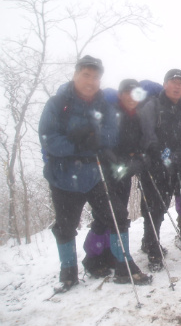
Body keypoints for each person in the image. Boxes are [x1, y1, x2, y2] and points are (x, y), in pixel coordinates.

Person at [39, 56, 151, 291]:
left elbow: (111, 135)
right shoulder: (57, 104)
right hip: (63, 177)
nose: (91, 81)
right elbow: (49, 139)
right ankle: (68, 271)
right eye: (86, 75)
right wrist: (77, 144)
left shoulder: (103, 106)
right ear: (76, 74)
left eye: (96, 77)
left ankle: (124, 265)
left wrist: (96, 138)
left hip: (94, 175)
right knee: (66, 225)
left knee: (118, 215)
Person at [82, 79, 148, 277]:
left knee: (110, 217)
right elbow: (102, 143)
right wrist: (115, 160)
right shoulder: (110, 114)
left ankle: (104, 255)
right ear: (120, 95)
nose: (131, 97)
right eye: (127, 93)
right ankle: (111, 261)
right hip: (104, 175)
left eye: (135, 93)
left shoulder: (135, 117)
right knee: (113, 216)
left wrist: (137, 159)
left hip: (124, 174)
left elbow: (135, 145)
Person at [139, 69, 181, 268]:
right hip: (152, 165)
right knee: (152, 206)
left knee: (161, 206)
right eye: (174, 82)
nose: (177, 86)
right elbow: (147, 134)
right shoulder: (152, 106)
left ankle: (148, 240)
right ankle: (153, 248)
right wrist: (160, 154)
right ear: (165, 84)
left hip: (171, 165)